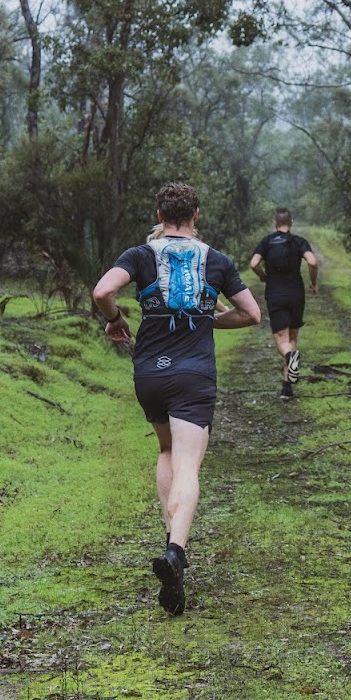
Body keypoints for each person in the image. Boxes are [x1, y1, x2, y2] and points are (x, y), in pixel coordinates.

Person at [93, 182, 261, 615]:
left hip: (150, 372)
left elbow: (101, 291)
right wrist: (207, 319)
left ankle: (174, 556)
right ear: (196, 215)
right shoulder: (216, 260)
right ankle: (176, 552)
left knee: (166, 449)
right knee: (188, 463)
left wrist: (114, 320)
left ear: (159, 212)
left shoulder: (141, 255)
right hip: (194, 375)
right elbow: (251, 314)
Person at [249, 207, 318, 399]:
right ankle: (287, 387)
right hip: (296, 294)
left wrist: (264, 276)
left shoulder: (267, 241)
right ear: (291, 222)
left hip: (276, 294)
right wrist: (313, 283)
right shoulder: (298, 241)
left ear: (275, 223)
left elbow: (253, 263)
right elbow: (312, 262)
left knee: (282, 340)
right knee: (292, 339)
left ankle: (290, 358)